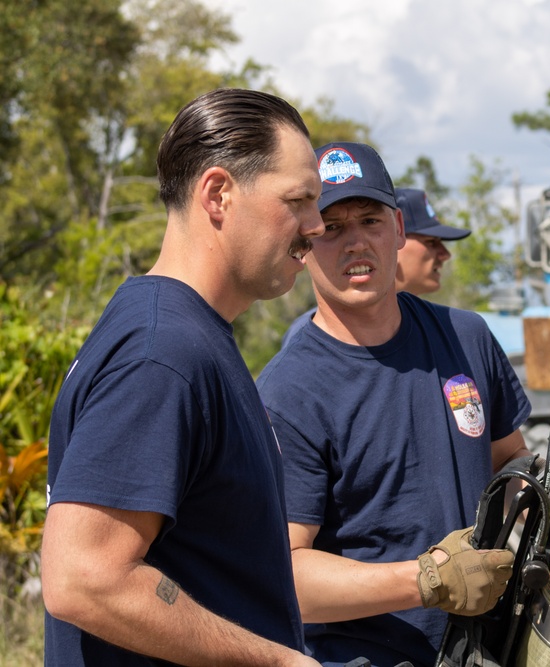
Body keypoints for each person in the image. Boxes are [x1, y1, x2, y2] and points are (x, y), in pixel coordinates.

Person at [41, 88, 325, 667]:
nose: (316, 226)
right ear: (218, 194)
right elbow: (84, 577)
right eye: (297, 200)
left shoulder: (184, 337)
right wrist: (282, 662)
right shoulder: (162, 354)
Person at [256, 141, 531, 667]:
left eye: (370, 220)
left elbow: (509, 464)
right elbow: (281, 575)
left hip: (487, 651)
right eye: (331, 228)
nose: (356, 242)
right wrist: (426, 580)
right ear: (303, 244)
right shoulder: (288, 391)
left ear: (399, 230)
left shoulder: (466, 336)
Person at [282, 186, 469, 344]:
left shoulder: (453, 329)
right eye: (431, 242)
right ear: (397, 234)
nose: (445, 254)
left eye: (369, 222)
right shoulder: (311, 335)